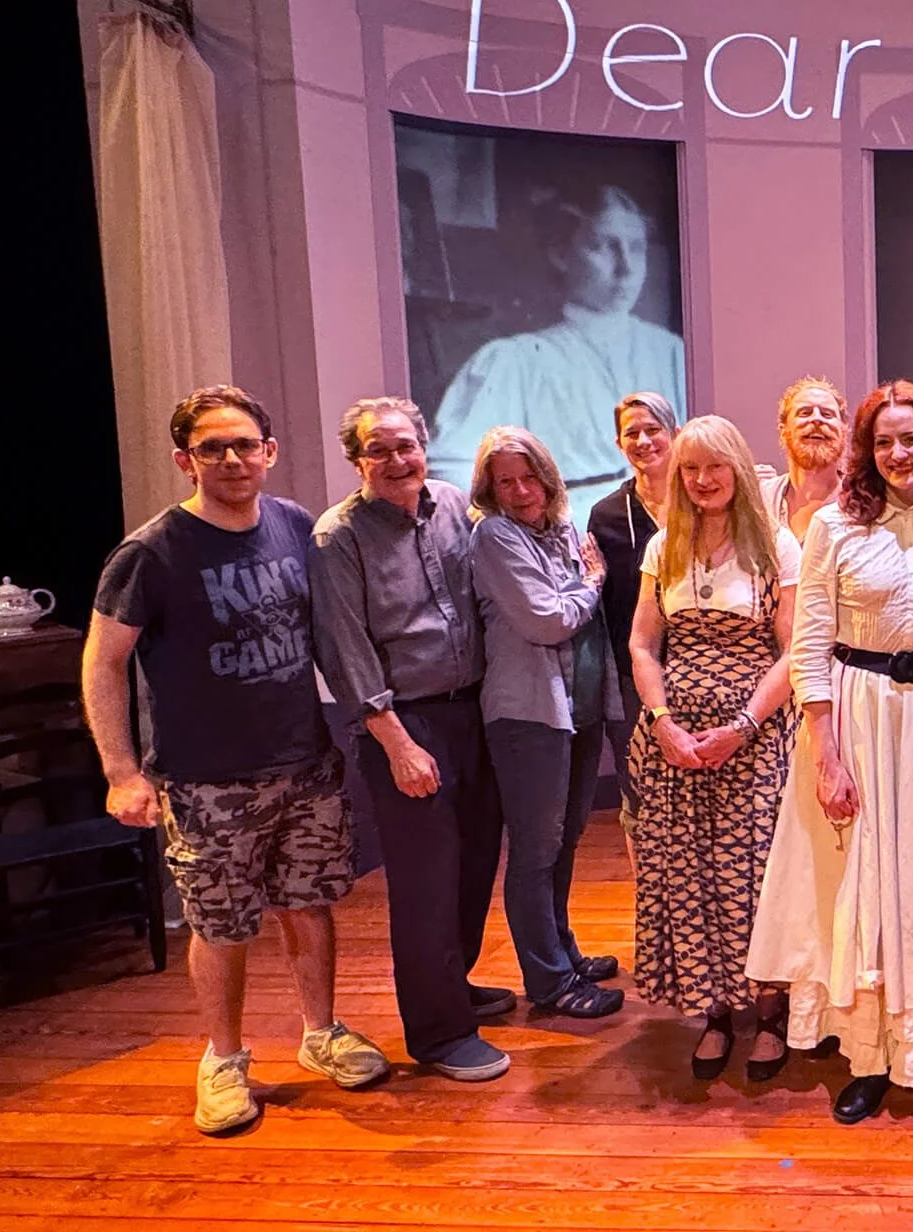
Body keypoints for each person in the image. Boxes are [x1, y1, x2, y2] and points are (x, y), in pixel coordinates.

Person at [82, 386, 387, 1134]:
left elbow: (327, 635)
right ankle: (222, 1060)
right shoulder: (150, 552)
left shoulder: (294, 526)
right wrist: (121, 771)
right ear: (184, 460)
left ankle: (321, 1033)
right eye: (212, 447)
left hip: (304, 762)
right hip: (205, 780)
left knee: (309, 904)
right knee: (220, 924)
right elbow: (103, 662)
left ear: (268, 452)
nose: (231, 459)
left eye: (244, 444)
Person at [749, 381, 913, 1124]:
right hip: (859, 718)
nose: (898, 453)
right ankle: (870, 1052)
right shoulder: (834, 526)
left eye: (910, 438)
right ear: (867, 451)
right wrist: (827, 756)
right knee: (866, 881)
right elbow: (809, 646)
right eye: (884, 441)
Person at [309, 396, 513, 1084]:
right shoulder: (338, 537)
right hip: (405, 722)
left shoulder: (453, 505)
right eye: (379, 450)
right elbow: (344, 649)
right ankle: (438, 1031)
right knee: (426, 881)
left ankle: (452, 985)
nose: (396, 460)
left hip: (473, 710)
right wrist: (396, 743)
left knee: (475, 860)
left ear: (424, 446)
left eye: (406, 446)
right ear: (356, 461)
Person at [626, 414, 800, 1080]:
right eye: (690, 469)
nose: (702, 480)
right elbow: (644, 644)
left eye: (714, 466)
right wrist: (663, 723)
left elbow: (792, 652)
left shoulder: (776, 546)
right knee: (691, 876)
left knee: (754, 877)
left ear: (738, 468)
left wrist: (743, 727)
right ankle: (716, 1013)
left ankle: (770, 1013)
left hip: (753, 741)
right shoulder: (664, 546)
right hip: (677, 748)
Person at [468, 425, 625, 1020]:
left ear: (548, 477)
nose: (520, 491)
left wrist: (576, 589)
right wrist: (592, 581)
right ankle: (550, 982)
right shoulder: (494, 536)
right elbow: (547, 620)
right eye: (505, 482)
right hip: (527, 715)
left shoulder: (562, 529)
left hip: (578, 711)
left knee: (565, 843)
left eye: (528, 477)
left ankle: (564, 953)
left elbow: (567, 610)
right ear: (490, 490)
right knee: (535, 852)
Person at [427, 187, 688, 523]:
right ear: (561, 252)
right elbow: (453, 467)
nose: (626, 266)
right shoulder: (515, 362)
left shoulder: (670, 352)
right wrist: (522, 528)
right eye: (604, 246)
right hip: (564, 529)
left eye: (636, 248)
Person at [587, 391, 678, 845]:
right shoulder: (605, 515)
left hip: (702, 670)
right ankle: (647, 889)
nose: (643, 441)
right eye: (632, 433)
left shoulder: (704, 499)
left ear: (675, 432)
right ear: (619, 443)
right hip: (633, 678)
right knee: (640, 799)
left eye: (653, 429)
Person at [757, 376, 848, 543]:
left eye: (827, 414)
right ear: (783, 430)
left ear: (843, 431)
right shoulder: (761, 500)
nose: (817, 419)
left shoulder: (862, 503)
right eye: (805, 413)